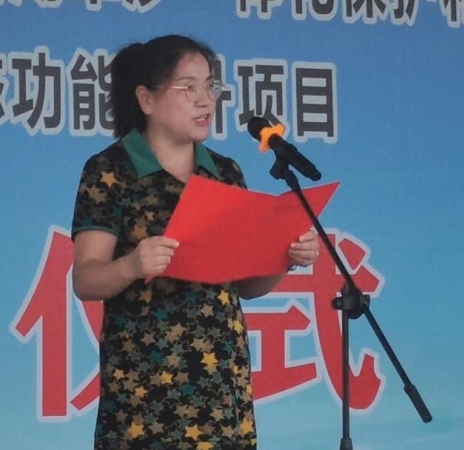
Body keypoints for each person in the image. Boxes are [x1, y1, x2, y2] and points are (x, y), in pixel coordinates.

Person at [71, 34, 320, 450]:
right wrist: (132, 265)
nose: (205, 100)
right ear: (147, 99)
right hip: (145, 398)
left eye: (210, 86)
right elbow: (85, 278)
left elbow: (245, 285)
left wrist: (285, 257)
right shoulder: (110, 170)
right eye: (188, 88)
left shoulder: (225, 172)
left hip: (221, 390)